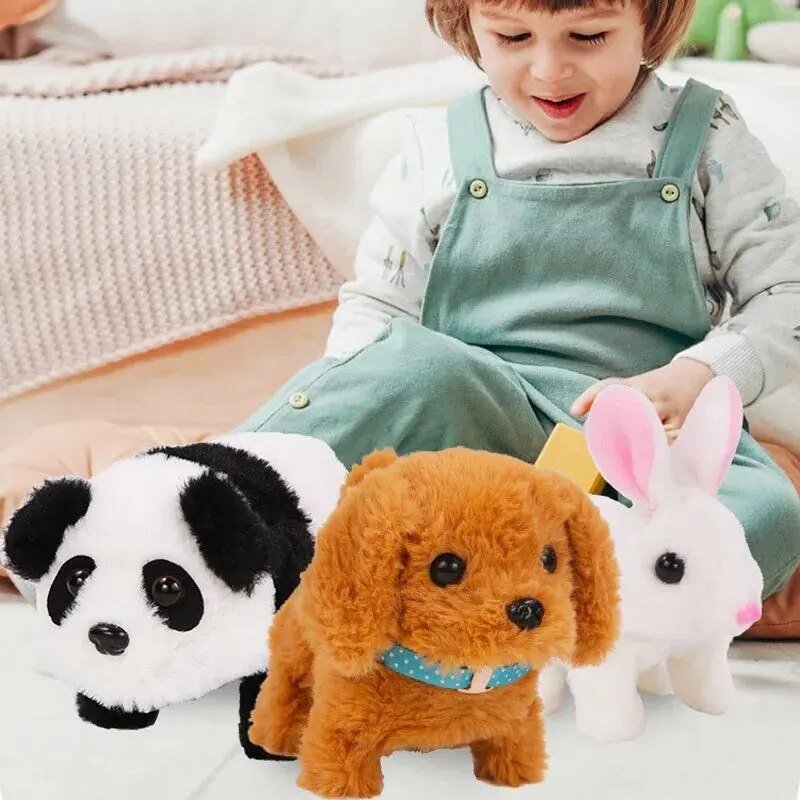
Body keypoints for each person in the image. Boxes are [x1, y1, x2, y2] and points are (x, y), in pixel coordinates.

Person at [236, 0, 800, 599]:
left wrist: (696, 376)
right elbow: (379, 309)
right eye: (511, 37)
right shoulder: (441, 146)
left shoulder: (708, 135)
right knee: (413, 366)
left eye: (588, 36)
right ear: (468, 25)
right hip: (480, 421)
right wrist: (359, 404)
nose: (549, 69)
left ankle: (560, 600)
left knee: (769, 514)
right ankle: (210, 490)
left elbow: (786, 293)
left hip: (644, 440)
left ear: (651, 21)